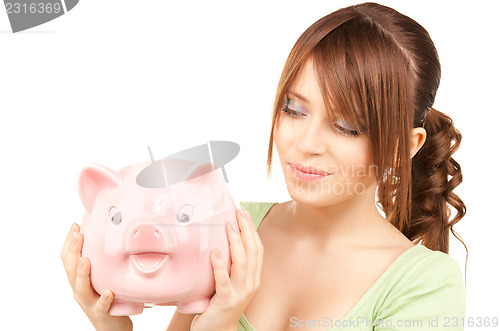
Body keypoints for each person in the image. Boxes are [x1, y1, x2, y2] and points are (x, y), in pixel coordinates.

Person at [61, 2, 467, 330]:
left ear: (404, 146)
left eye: (347, 127)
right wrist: (111, 325)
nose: (305, 144)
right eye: (294, 109)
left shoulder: (425, 286)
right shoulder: (229, 228)